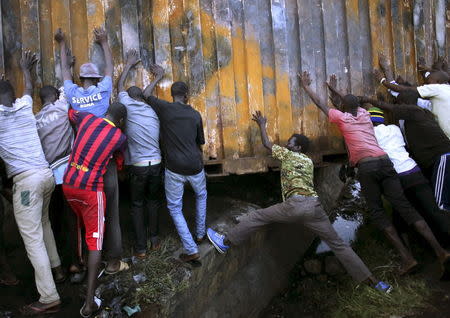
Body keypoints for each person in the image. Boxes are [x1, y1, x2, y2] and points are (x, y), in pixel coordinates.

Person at [207, 111, 392, 292]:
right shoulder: (309, 162)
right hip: (315, 206)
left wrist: (262, 125)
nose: (287, 144)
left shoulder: (288, 155)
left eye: (290, 143)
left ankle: (226, 241)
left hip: (296, 205)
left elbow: (266, 143)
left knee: (258, 216)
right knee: (338, 245)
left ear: (297, 148)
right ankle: (375, 283)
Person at [300, 71, 450, 277]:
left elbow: (323, 105)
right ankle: (441, 252)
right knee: (406, 208)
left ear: (343, 109)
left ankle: (407, 258)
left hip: (368, 167)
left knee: (378, 212)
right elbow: (349, 103)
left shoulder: (343, 119)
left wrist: (308, 87)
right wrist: (336, 90)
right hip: (386, 164)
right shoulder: (365, 116)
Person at [55, 28, 124, 275]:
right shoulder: (103, 91)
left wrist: (62, 44)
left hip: (81, 165)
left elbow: (64, 72)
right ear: (95, 80)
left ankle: (82, 262)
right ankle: (113, 261)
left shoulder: (73, 95)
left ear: (80, 79)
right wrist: (104, 42)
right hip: (104, 163)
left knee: (84, 214)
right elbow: (110, 68)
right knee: (112, 212)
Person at [0, 51, 62, 315]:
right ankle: (57, 268)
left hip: (26, 184)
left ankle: (48, 296)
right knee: (43, 224)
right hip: (46, 177)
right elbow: (29, 87)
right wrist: (27, 69)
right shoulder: (25, 107)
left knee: (32, 238)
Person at [62, 102, 127, 317]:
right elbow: (119, 161)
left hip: (69, 184)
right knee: (95, 239)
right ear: (120, 121)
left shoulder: (87, 118)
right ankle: (89, 303)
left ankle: (77, 267)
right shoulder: (119, 136)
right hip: (91, 191)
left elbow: (71, 113)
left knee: (77, 225)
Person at [143, 64, 207, 262]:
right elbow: (200, 144)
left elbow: (145, 94)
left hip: (174, 168)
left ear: (172, 95)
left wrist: (158, 76)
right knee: (201, 195)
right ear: (186, 95)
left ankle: (191, 248)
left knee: (174, 208)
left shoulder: (164, 108)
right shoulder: (196, 115)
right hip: (195, 166)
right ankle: (200, 234)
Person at [366, 106, 450, 239]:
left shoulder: (371, 134)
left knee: (403, 212)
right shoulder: (395, 129)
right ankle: (444, 237)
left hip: (396, 176)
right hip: (414, 171)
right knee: (433, 208)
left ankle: (408, 244)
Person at [35, 48, 81, 282]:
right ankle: (75, 263)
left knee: (53, 222)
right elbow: (67, 83)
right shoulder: (62, 107)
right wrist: (68, 64)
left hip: (47, 176)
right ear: (55, 96)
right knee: (73, 220)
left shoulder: (35, 120)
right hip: (68, 173)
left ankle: (58, 267)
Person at [118, 49, 162, 258]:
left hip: (138, 165)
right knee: (153, 202)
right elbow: (146, 94)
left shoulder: (125, 104)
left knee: (136, 204)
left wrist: (128, 64)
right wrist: (159, 77)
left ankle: (141, 248)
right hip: (156, 164)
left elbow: (119, 86)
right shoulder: (151, 110)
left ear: (129, 98)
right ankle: (154, 241)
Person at [377, 62, 450, 139]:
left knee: (407, 96)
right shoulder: (444, 88)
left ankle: (392, 86)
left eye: (428, 82)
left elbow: (406, 90)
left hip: (442, 132)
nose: (426, 84)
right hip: (441, 130)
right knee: (411, 95)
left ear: (438, 82)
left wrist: (383, 80)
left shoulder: (437, 88)